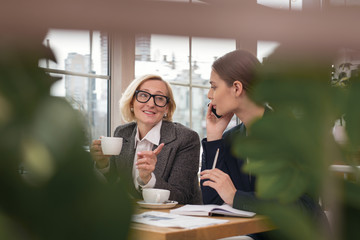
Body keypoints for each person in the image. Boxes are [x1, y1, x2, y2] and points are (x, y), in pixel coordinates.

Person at [200, 49, 329, 240]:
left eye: (214, 87)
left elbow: (302, 206)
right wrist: (213, 137)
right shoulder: (229, 139)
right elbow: (211, 202)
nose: (209, 95)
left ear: (236, 88)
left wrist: (237, 197)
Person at [91, 74, 201, 204]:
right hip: (138, 217)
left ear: (166, 107)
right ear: (132, 102)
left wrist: (149, 179)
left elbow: (181, 197)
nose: (151, 104)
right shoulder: (122, 133)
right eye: (143, 95)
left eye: (159, 98)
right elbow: (112, 183)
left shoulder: (186, 139)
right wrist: (103, 164)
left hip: (178, 219)